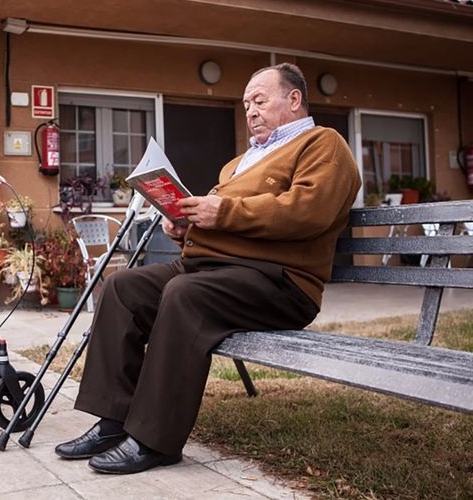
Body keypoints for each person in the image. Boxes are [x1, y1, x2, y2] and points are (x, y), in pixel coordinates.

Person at [55, 63, 361, 474]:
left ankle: (154, 439)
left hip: (279, 281)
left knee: (185, 296)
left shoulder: (322, 144)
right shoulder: (237, 165)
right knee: (122, 288)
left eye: (260, 99)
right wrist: (185, 226)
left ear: (293, 100)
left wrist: (224, 210)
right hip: (212, 270)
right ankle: (114, 420)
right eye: (246, 103)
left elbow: (310, 212)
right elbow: (224, 224)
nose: (250, 110)